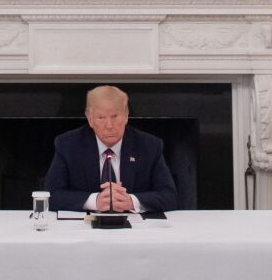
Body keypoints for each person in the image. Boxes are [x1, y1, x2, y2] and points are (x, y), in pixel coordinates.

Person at [44, 85, 178, 212]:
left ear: (126, 116)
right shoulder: (68, 145)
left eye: (115, 116)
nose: (109, 125)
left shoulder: (149, 146)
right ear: (90, 119)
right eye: (101, 117)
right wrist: (94, 201)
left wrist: (132, 201)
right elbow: (51, 195)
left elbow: (170, 196)